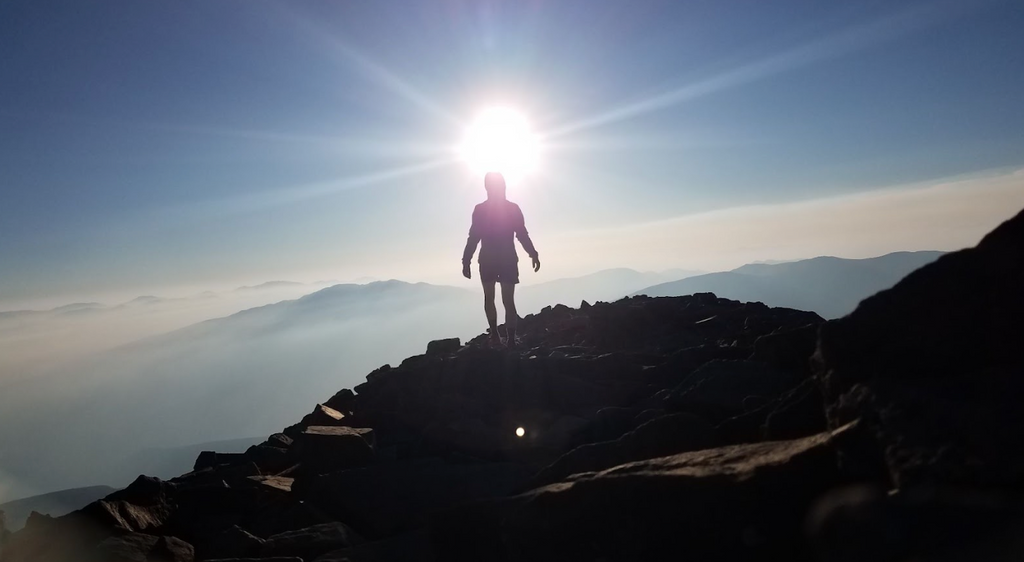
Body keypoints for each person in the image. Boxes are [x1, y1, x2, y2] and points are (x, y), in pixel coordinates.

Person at [462, 172, 540, 347]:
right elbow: (522, 234)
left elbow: (473, 237)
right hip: (507, 259)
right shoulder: (513, 208)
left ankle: (495, 336)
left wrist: (466, 261)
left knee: (489, 297)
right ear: (503, 186)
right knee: (508, 300)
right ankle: (511, 340)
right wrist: (532, 253)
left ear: (486, 187)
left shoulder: (480, 210)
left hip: (487, 259)